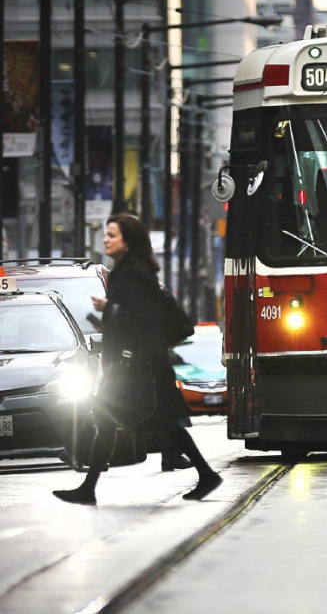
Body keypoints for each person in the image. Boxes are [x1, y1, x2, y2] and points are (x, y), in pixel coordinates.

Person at [54, 213, 221, 505]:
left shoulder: (134, 273)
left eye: (112, 235)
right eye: (106, 234)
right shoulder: (127, 270)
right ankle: (88, 488)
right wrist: (107, 318)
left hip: (140, 370)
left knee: (156, 423)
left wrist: (110, 308)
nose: (106, 239)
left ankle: (205, 473)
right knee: (121, 423)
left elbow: (143, 319)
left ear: (128, 242)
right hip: (136, 367)